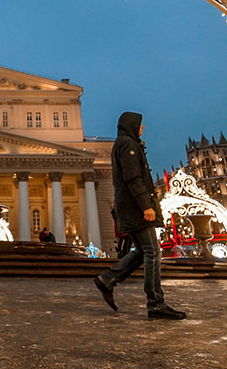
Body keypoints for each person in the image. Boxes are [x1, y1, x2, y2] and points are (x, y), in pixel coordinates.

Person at [94, 112, 186, 319]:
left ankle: (107, 279)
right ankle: (155, 303)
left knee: (143, 251)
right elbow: (133, 177)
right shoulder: (128, 144)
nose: (142, 128)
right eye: (140, 125)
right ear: (132, 125)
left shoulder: (124, 143)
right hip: (136, 207)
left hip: (130, 205)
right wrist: (146, 206)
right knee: (153, 252)